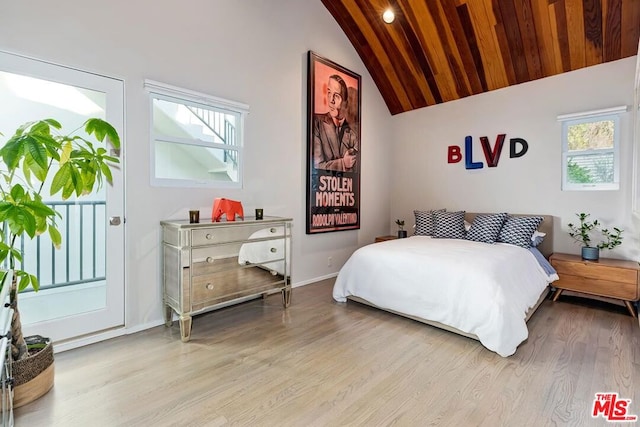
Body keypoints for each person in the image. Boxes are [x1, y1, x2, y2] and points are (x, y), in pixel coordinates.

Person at [313, 74, 359, 172]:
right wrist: (343, 163)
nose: (331, 100)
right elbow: (316, 166)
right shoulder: (317, 123)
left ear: (345, 103)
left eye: (336, 96)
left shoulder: (353, 133)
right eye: (329, 93)